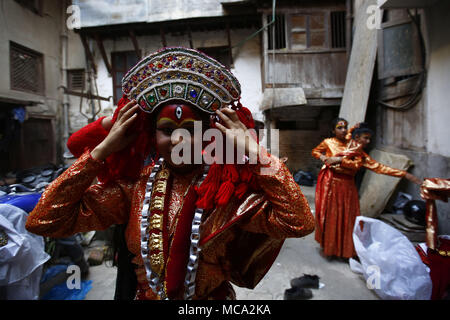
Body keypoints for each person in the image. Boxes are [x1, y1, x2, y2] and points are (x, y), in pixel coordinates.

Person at [26, 47, 314, 300]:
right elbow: (43, 220)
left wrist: (254, 152)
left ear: (208, 135)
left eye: (190, 130)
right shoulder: (133, 190)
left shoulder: (227, 193)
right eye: (167, 130)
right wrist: (102, 149)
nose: (178, 141)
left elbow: (299, 222)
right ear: (152, 135)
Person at [311, 119, 421, 259]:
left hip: (347, 187)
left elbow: (378, 167)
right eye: (340, 127)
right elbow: (316, 152)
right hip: (330, 184)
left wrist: (404, 174)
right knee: (331, 216)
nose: (344, 130)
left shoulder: (358, 152)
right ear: (334, 130)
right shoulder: (331, 143)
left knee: (348, 219)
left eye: (345, 128)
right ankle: (329, 247)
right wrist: (323, 157)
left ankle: (346, 251)